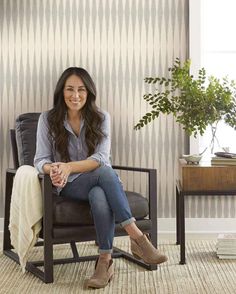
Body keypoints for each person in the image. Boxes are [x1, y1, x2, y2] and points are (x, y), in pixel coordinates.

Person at [34, 67, 167, 289]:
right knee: (105, 172)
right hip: (67, 186)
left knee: (99, 193)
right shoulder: (47, 119)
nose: (75, 95)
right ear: (61, 92)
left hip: (100, 183)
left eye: (81, 90)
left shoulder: (102, 117)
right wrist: (54, 169)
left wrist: (68, 166)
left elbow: (101, 157)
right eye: (70, 89)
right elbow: (40, 160)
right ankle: (137, 237)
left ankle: (104, 262)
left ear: (89, 93)